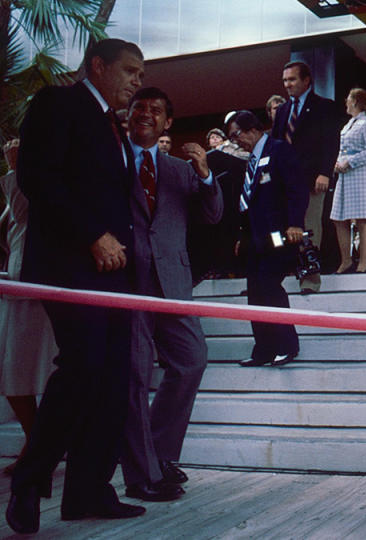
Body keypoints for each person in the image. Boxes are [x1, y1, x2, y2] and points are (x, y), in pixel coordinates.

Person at [7, 38, 147, 535]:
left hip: (116, 273)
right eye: (129, 71)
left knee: (112, 377)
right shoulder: (58, 103)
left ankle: (88, 490)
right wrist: (92, 236)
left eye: (140, 72)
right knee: (83, 365)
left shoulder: (116, 126)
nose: (136, 80)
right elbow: (37, 178)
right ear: (98, 66)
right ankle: (29, 480)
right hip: (70, 265)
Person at [120, 87, 223, 502]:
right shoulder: (110, 159)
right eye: (139, 108)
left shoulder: (180, 169)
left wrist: (205, 174)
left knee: (192, 360)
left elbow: (212, 214)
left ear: (168, 123)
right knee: (134, 375)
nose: (146, 114)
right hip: (126, 283)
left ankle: (159, 454)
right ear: (127, 116)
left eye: (156, 110)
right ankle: (141, 475)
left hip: (173, 284)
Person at [226, 110, 308, 366]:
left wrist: (295, 223)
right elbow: (247, 201)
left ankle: (286, 346)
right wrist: (242, 235)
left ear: (252, 129)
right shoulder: (250, 159)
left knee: (269, 286)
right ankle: (263, 350)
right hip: (254, 237)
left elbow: (297, 188)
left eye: (235, 135)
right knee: (255, 292)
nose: (234, 141)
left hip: (278, 235)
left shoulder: (280, 149)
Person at [0, 139, 56, 477]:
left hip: (45, 285)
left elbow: (25, 208)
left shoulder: (43, 174)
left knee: (46, 373)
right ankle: (35, 442)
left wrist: (17, 166)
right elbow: (12, 220)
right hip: (18, 284)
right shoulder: (18, 183)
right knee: (14, 374)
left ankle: (41, 447)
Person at [271, 61, 340, 292]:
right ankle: (275, 276)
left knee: (309, 229)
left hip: (312, 179)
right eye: (284, 80)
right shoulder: (281, 111)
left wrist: (324, 172)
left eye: (291, 79)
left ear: (306, 80)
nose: (287, 85)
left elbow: (331, 142)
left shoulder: (324, 106)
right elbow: (277, 145)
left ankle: (309, 280)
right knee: (280, 231)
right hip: (284, 182)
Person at [331, 88, 366, 274]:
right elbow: (342, 148)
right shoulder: (349, 124)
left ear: (356, 101)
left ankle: (364, 261)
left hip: (361, 174)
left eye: (348, 99)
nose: (346, 102)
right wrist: (336, 162)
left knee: (362, 218)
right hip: (344, 175)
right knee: (338, 218)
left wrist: (349, 162)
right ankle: (346, 260)